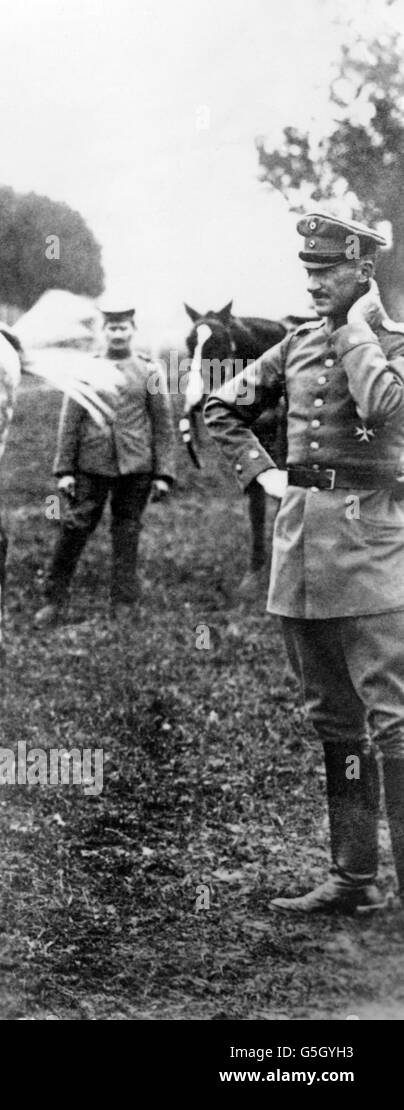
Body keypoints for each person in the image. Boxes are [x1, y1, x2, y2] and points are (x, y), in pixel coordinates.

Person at [204, 213, 404, 913]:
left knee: (394, 720)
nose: (315, 283)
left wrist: (354, 328)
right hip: (303, 553)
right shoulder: (293, 346)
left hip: (374, 548)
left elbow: (385, 405)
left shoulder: (391, 345)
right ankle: (354, 879)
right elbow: (220, 405)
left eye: (329, 272)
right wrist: (262, 473)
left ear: (363, 274)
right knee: (334, 720)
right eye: (309, 272)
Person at [32, 305, 176, 627]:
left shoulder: (150, 371)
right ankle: (53, 601)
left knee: (127, 533)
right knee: (75, 528)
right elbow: (70, 421)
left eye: (124, 328)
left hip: (135, 467)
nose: (118, 334)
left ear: (133, 330)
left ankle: (123, 602)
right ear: (103, 332)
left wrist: (164, 473)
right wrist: (65, 469)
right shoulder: (87, 369)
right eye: (112, 328)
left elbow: (163, 424)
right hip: (91, 464)